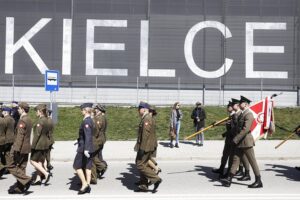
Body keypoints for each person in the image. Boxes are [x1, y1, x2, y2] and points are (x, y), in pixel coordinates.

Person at [221, 96, 262, 188]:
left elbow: (245, 129)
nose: (239, 104)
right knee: (235, 160)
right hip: (240, 141)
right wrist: (228, 134)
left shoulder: (249, 114)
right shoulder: (242, 114)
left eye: (241, 103)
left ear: (246, 104)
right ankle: (229, 179)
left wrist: (235, 139)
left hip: (246, 141)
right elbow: (237, 127)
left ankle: (258, 180)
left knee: (252, 161)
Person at [135, 102, 162, 192]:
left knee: (140, 164)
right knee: (144, 164)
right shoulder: (146, 118)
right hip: (146, 146)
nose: (138, 110)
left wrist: (142, 148)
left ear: (144, 109)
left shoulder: (147, 119)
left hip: (145, 147)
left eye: (139, 109)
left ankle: (156, 178)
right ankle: (143, 185)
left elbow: (145, 135)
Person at [6, 102, 32, 194]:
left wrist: (15, 149)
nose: (17, 110)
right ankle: (20, 188)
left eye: (19, 108)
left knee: (10, 165)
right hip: (26, 147)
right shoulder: (29, 119)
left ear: (23, 109)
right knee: (22, 167)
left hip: (20, 148)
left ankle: (26, 179)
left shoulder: (22, 121)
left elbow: (20, 136)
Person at [73, 103, 94, 195]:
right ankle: (88, 185)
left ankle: (85, 184)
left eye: (82, 110)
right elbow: (85, 136)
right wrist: (79, 140)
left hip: (84, 148)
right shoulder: (90, 120)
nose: (81, 111)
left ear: (86, 110)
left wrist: (86, 149)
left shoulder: (86, 121)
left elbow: (88, 135)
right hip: (87, 146)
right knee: (87, 166)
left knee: (76, 166)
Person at [30, 104, 52, 185]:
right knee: (39, 161)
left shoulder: (40, 121)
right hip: (45, 143)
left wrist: (33, 145)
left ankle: (46, 173)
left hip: (39, 144)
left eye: (37, 111)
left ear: (40, 111)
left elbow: (37, 134)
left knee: (32, 160)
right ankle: (38, 179)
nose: (36, 112)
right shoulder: (47, 119)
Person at [212, 101, 234, 178]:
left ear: (233, 107)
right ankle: (221, 169)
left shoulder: (235, 115)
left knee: (231, 157)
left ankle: (228, 173)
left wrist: (218, 124)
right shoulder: (230, 115)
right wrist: (217, 123)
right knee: (224, 155)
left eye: (229, 106)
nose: (227, 108)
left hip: (233, 139)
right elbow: (226, 122)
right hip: (228, 138)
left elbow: (227, 123)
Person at [91, 104, 108, 184]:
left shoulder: (99, 118)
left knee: (92, 157)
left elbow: (96, 131)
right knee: (96, 156)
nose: (94, 110)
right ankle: (94, 176)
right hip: (101, 139)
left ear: (99, 110)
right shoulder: (102, 117)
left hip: (97, 140)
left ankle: (102, 166)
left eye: (96, 109)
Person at [0, 107, 15, 177]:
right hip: (11, 139)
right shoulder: (12, 119)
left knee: (4, 155)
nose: (2, 112)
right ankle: (8, 168)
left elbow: (3, 130)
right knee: (7, 155)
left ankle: (3, 168)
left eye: (3, 111)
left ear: (6, 112)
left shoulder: (5, 120)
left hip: (6, 140)